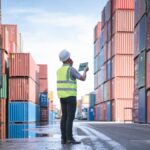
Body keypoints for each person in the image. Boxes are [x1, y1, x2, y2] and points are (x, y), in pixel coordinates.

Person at [57, 49, 89, 144]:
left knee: (64, 117)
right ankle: (70, 138)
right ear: (68, 59)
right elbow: (82, 78)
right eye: (70, 57)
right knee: (70, 118)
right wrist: (85, 71)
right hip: (70, 97)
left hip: (62, 97)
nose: (71, 59)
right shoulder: (71, 69)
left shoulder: (59, 71)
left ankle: (63, 139)